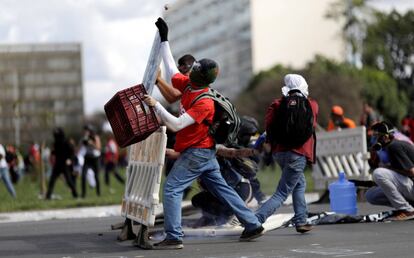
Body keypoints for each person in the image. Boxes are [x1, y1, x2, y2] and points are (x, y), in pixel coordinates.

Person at [142, 17, 264, 249]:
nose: (187, 71)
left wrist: (155, 105)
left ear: (200, 76)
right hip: (204, 152)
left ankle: (174, 236)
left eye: (193, 69)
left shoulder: (204, 102)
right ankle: (252, 224)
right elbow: (170, 69)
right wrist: (165, 38)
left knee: (171, 189)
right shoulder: (189, 84)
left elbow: (177, 125)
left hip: (197, 152)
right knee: (222, 189)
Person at [255, 74, 318, 233]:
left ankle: (301, 221)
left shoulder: (276, 104)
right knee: (282, 193)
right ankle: (254, 221)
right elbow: (311, 127)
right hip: (298, 154)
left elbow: (269, 128)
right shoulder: (312, 105)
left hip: (279, 154)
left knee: (299, 183)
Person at [365, 121, 414, 220]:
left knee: (379, 173)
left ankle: (407, 210)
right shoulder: (388, 147)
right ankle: (409, 206)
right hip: (410, 186)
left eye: (377, 136)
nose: (374, 139)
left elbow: (412, 172)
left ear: (385, 137)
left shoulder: (394, 146)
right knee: (370, 195)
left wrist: (387, 168)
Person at [45, 128, 78, 200]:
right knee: (52, 180)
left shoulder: (66, 142)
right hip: (57, 164)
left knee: (69, 181)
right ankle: (48, 196)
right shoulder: (56, 143)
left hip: (64, 164)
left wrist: (70, 159)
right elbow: (55, 152)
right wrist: (52, 152)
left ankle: (75, 195)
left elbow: (72, 152)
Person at [81, 125, 101, 198]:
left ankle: (98, 193)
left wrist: (91, 143)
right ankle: (83, 194)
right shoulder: (85, 138)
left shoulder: (95, 137)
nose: (84, 132)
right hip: (87, 157)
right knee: (83, 175)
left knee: (96, 176)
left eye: (86, 130)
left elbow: (98, 148)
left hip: (95, 158)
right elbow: (80, 146)